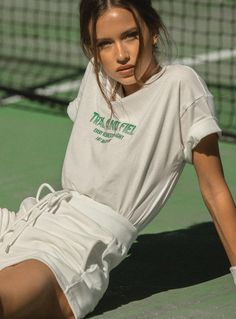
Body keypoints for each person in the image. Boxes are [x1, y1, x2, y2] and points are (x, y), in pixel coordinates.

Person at [0, 0, 236, 318]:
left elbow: (215, 190)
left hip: (75, 252)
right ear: (92, 49)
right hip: (31, 220)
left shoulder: (181, 86)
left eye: (130, 36)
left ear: (152, 31)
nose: (121, 55)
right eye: (105, 44)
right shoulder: (96, 73)